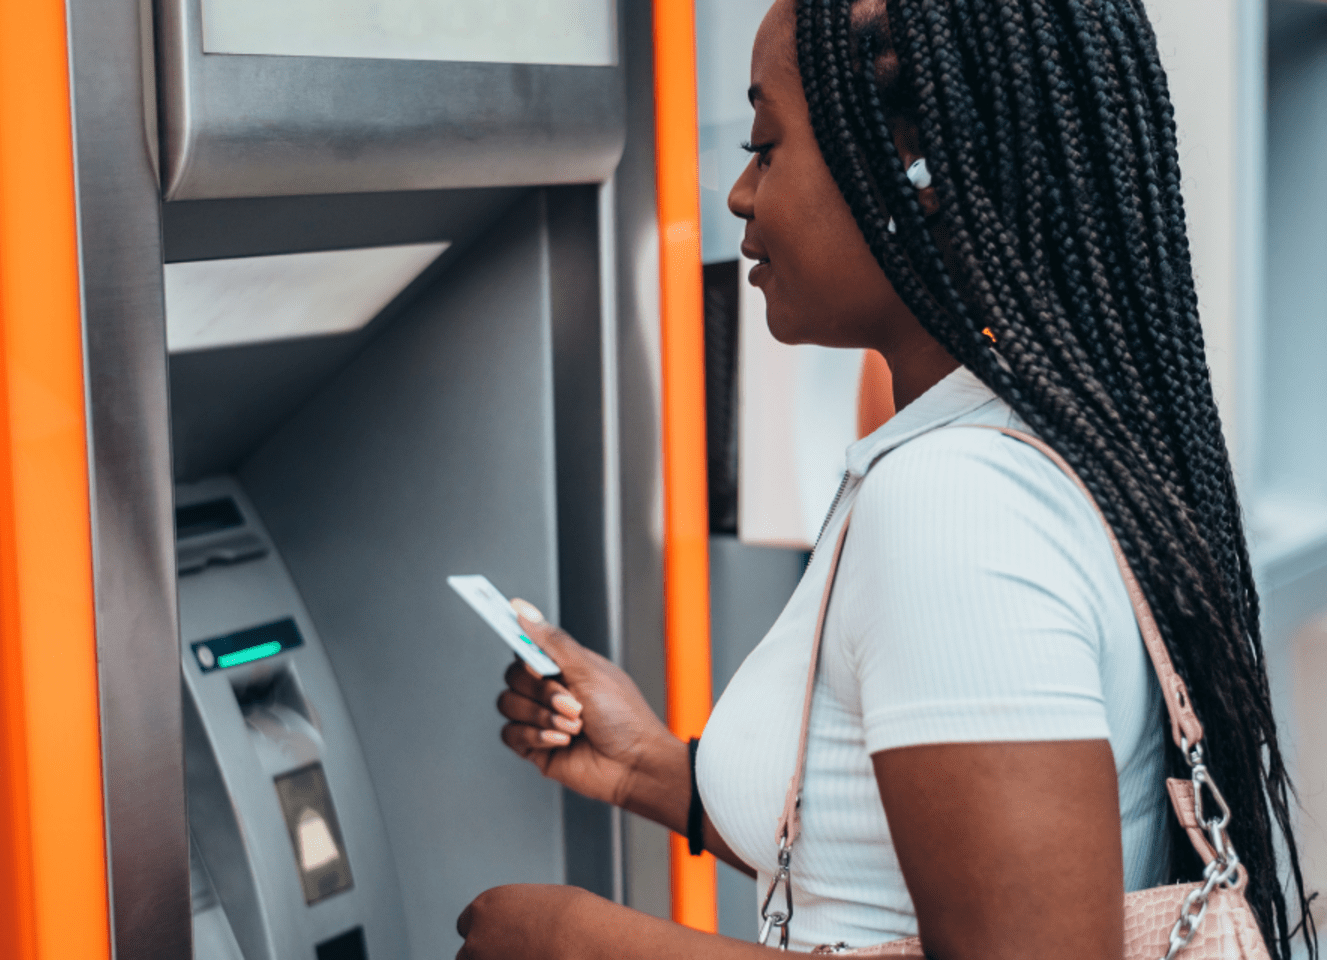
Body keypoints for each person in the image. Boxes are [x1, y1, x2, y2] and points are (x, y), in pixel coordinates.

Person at [454, 1, 1318, 958]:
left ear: (920, 171)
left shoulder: (959, 504)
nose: (740, 195)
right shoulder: (1012, 444)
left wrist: (577, 941)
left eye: (767, 146)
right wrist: (647, 768)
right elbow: (918, 872)